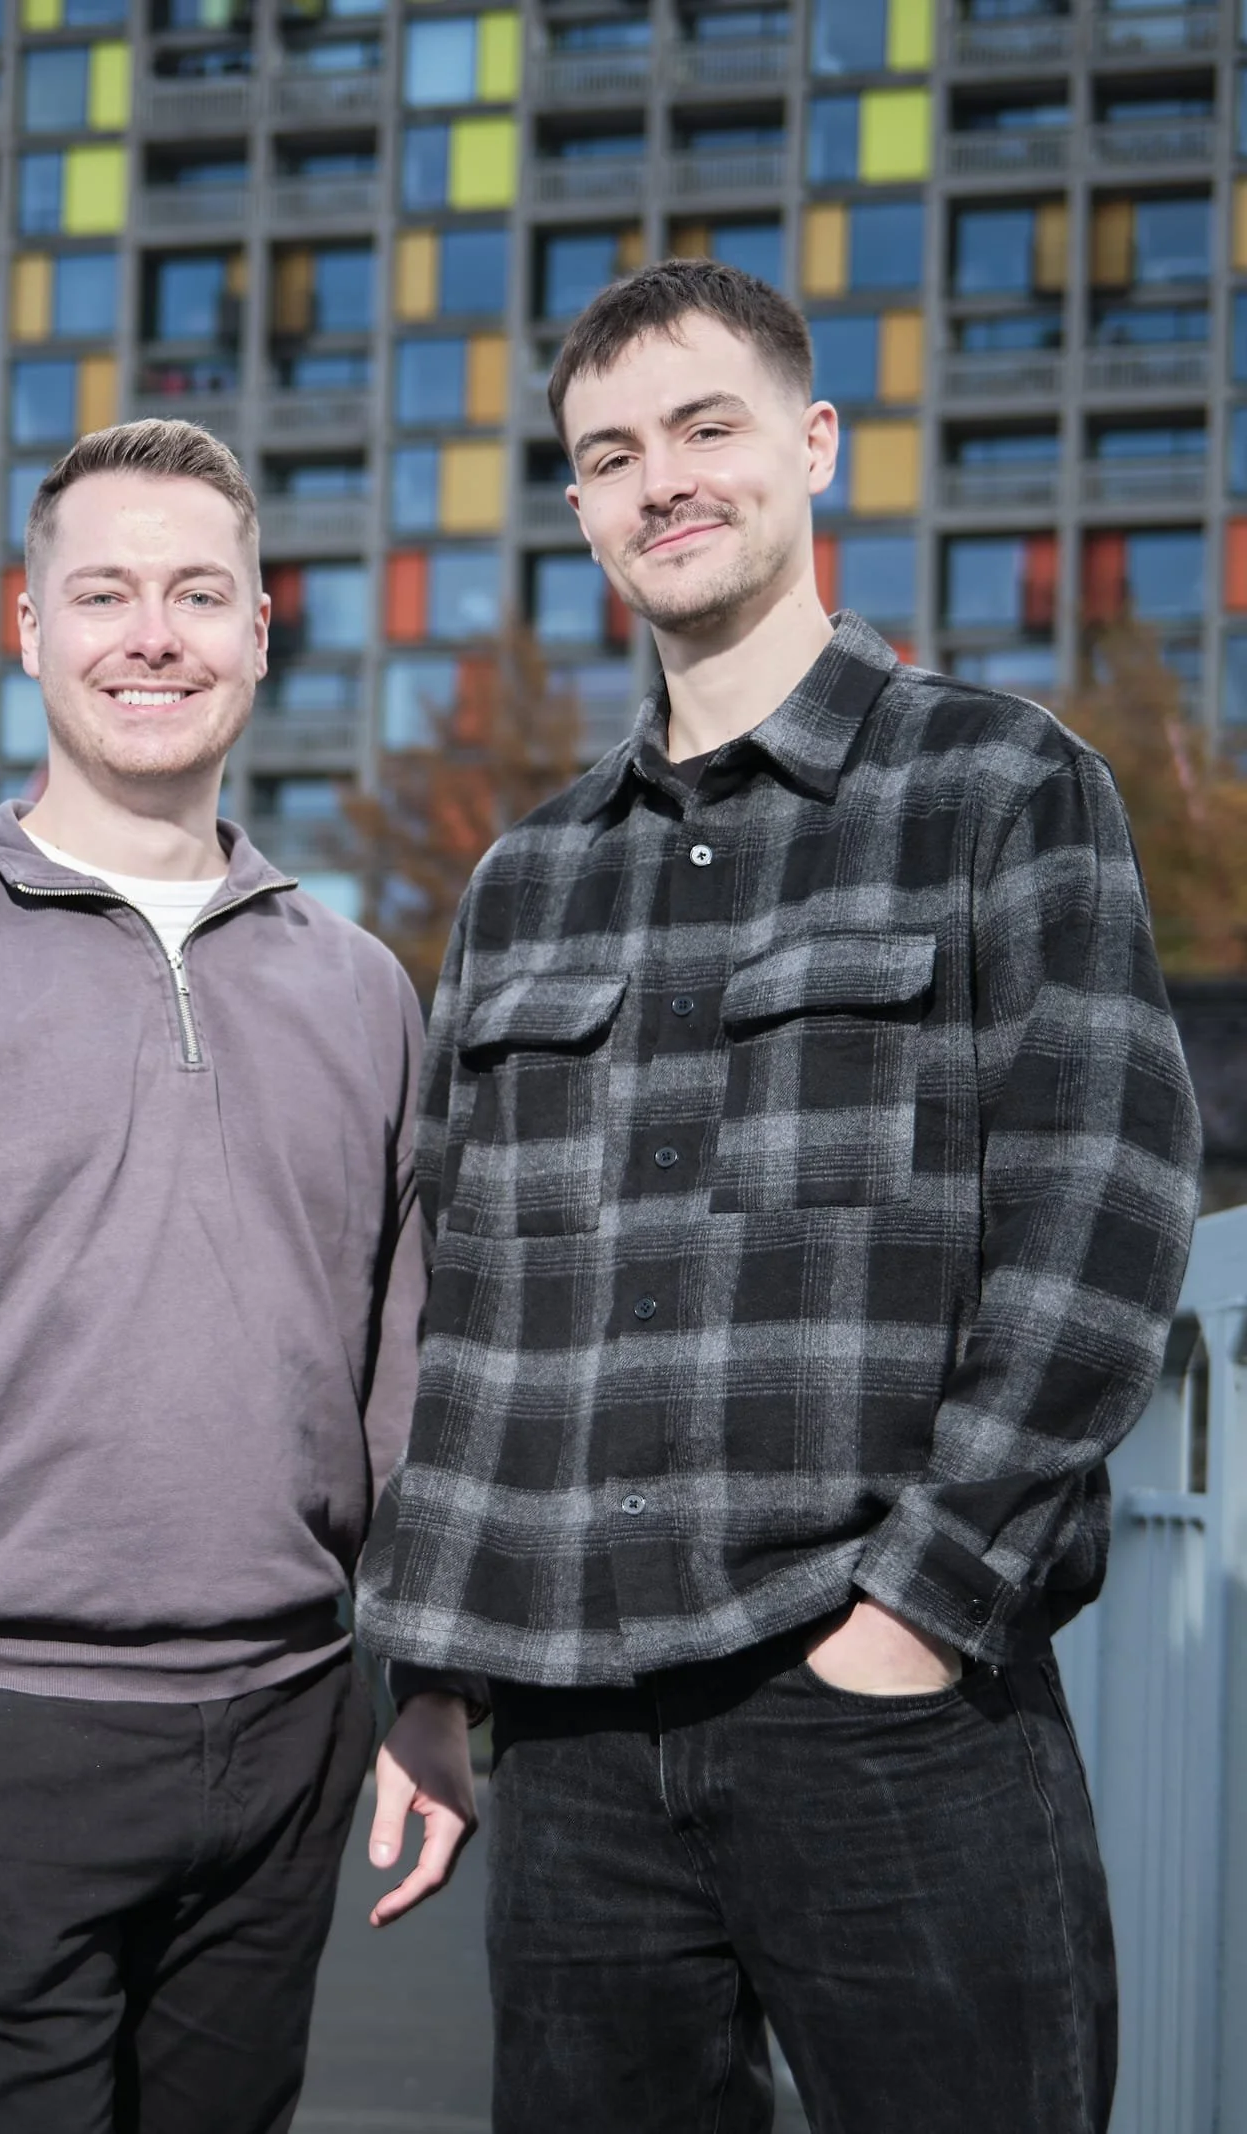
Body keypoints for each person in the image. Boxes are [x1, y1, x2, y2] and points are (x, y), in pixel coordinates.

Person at [357, 260, 1202, 2133]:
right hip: (573, 1742)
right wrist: (437, 1675)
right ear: (577, 507)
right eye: (608, 454)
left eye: (705, 428)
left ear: (814, 446)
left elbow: (1106, 1214)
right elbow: (463, 1298)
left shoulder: (1000, 790)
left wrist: (919, 1606)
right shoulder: (522, 882)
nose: (660, 480)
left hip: (891, 1695)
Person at [0, 418, 475, 2134]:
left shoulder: (360, 990)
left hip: (286, 1739)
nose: (153, 633)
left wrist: (426, 1682)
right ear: (28, 625)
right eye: (103, 590)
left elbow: (403, 1370)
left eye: (200, 593)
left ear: (263, 631)